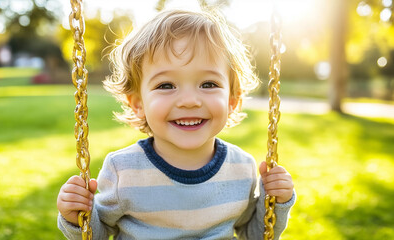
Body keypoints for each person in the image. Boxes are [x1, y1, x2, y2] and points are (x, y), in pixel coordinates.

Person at [57, 9, 295, 240]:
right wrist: (77, 217)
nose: (189, 101)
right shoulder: (124, 170)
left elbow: (254, 234)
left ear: (232, 100)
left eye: (209, 84)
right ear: (138, 103)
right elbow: (96, 235)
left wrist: (276, 201)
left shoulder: (241, 167)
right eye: (166, 85)